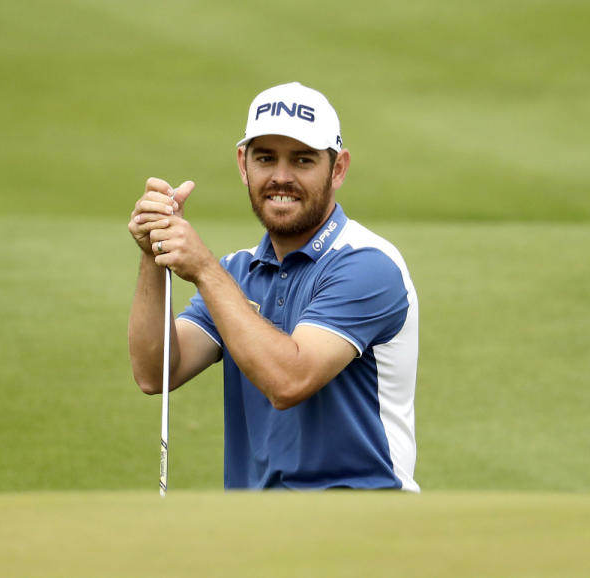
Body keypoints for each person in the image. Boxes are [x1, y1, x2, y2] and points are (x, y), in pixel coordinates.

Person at [127, 82, 419, 491]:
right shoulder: (238, 273)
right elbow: (155, 370)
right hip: (258, 528)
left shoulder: (367, 264)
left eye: (302, 160)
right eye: (266, 158)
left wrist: (206, 271)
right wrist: (151, 255)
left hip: (360, 522)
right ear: (243, 164)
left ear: (338, 169)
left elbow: (290, 381)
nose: (281, 178)